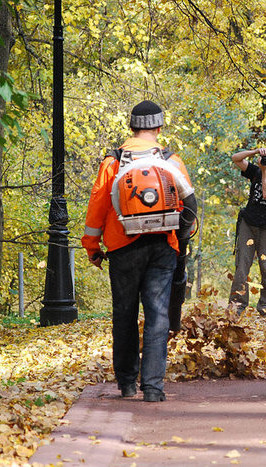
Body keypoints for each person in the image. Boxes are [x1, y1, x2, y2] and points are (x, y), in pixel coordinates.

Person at [82, 100, 196, 402]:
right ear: (158, 128)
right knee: (158, 314)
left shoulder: (113, 162)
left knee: (124, 313)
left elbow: (98, 205)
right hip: (162, 246)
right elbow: (188, 206)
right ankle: (154, 387)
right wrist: (181, 241)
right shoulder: (172, 161)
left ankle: (127, 383)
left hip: (122, 247)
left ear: (131, 127)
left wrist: (92, 246)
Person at [228, 147, 266, 316]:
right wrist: (255, 152)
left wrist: (263, 172)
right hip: (248, 224)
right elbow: (235, 158)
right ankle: (236, 306)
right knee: (241, 266)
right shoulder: (255, 171)